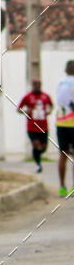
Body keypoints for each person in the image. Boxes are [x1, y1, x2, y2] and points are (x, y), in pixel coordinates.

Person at [17, 79, 52, 173]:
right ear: (32, 85)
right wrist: (26, 111)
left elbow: (51, 106)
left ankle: (36, 155)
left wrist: (49, 111)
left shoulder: (45, 96)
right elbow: (18, 109)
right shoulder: (28, 97)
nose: (37, 86)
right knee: (37, 145)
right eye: (35, 84)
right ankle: (38, 164)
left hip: (43, 126)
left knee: (43, 148)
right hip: (32, 126)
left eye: (38, 84)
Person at [55, 60, 74, 196]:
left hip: (61, 122)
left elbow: (60, 101)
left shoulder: (60, 83)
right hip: (72, 122)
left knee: (63, 154)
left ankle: (62, 187)